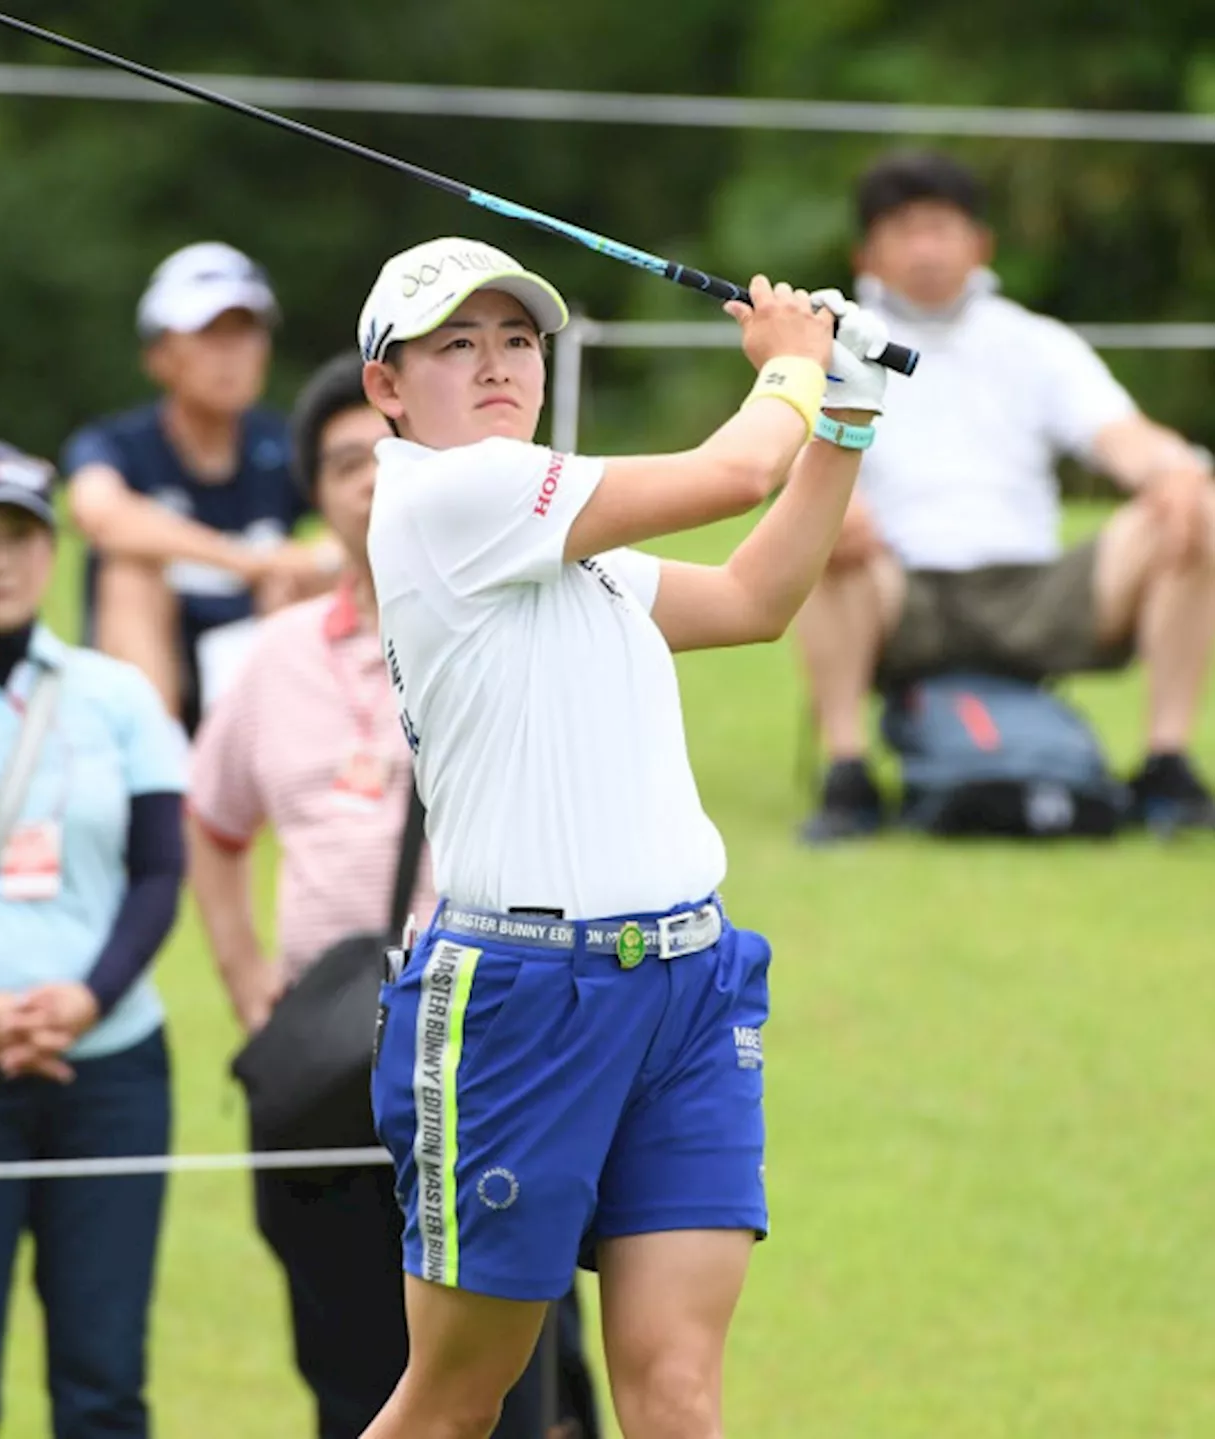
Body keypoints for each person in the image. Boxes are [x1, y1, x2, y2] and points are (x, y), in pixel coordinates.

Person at [353, 235, 889, 1439]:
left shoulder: (567, 550)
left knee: (677, 1393)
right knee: (455, 1396)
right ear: (388, 387)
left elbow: (752, 600)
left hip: (688, 985)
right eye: (455, 344)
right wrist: (789, 366)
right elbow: (732, 473)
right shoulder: (447, 497)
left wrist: (846, 411)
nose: (497, 365)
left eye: (516, 340)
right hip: (523, 997)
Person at [187, 355, 591, 1439]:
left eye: (382, 456)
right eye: (339, 464)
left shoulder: (520, 621)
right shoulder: (267, 658)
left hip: (492, 1036)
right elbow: (211, 825)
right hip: (324, 1052)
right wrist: (248, 990)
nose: (366, 481)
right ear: (313, 493)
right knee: (347, 1361)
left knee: (523, 1372)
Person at [794, 150, 1216, 842]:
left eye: (942, 226)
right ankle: (849, 776)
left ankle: (1167, 765)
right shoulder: (827, 346)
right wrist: (827, 506)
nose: (926, 247)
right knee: (819, 529)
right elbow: (779, 460)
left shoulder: (1037, 343)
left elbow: (1124, 436)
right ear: (865, 254)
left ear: (980, 244)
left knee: (1197, 502)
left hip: (1036, 594)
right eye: (903, 229)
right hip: (900, 588)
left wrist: (1175, 470)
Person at [0, 442, 187, 1438]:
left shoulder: (115, 695)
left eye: (18, 536)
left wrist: (89, 996)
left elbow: (158, 868)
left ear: (51, 552)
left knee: (103, 1379)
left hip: (112, 1070)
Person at [62, 241, 338, 734]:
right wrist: (253, 561)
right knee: (132, 574)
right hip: (156, 670)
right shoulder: (116, 442)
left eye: (246, 332)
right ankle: (158, 783)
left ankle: (341, 771)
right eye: (210, 335)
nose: (232, 354)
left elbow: (370, 514)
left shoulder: (285, 443)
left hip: (253, 653)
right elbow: (99, 514)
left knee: (315, 579)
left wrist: (312, 561)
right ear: (159, 357)